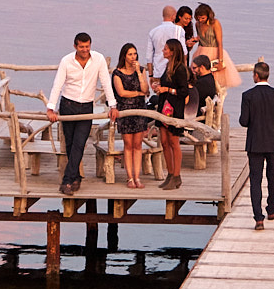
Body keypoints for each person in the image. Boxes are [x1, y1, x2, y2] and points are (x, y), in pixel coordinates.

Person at [44, 32, 117, 197]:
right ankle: (76, 177)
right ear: (75, 46)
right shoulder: (66, 61)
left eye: (87, 46)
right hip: (68, 104)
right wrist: (51, 108)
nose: (85, 50)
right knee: (70, 144)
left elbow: (106, 82)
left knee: (79, 143)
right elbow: (57, 85)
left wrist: (112, 105)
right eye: (82, 47)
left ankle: (67, 181)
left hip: (86, 107)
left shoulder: (98, 59)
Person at [238, 60, 274, 229]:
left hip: (255, 143)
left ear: (256, 75)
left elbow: (244, 122)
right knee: (273, 176)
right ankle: (271, 209)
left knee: (256, 180)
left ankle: (258, 218)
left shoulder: (247, 96)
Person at [111, 43, 152, 189]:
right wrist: (138, 94)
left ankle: (137, 177)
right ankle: (129, 177)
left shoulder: (140, 70)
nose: (133, 57)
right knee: (128, 145)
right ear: (124, 56)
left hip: (140, 109)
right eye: (130, 54)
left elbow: (146, 89)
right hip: (125, 111)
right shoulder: (117, 73)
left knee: (138, 145)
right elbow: (121, 93)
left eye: (134, 54)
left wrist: (139, 73)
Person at [153, 37, 190, 189]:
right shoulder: (169, 66)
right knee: (164, 141)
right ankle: (169, 173)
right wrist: (159, 86)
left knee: (174, 142)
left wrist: (167, 89)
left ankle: (176, 175)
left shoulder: (180, 69)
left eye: (166, 49)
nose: (163, 51)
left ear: (173, 51)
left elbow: (184, 91)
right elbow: (167, 84)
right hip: (164, 107)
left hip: (174, 109)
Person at [195, 1, 242, 91]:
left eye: (203, 18)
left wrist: (220, 61)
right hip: (201, 51)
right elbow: (200, 41)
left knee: (216, 80)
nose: (200, 20)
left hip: (214, 51)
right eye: (198, 18)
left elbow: (220, 42)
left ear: (208, 16)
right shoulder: (197, 24)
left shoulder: (215, 23)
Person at [149, 7, 185, 78]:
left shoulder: (153, 32)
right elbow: (184, 52)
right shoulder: (179, 30)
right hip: (174, 72)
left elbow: (149, 56)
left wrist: (150, 75)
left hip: (158, 72)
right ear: (173, 16)